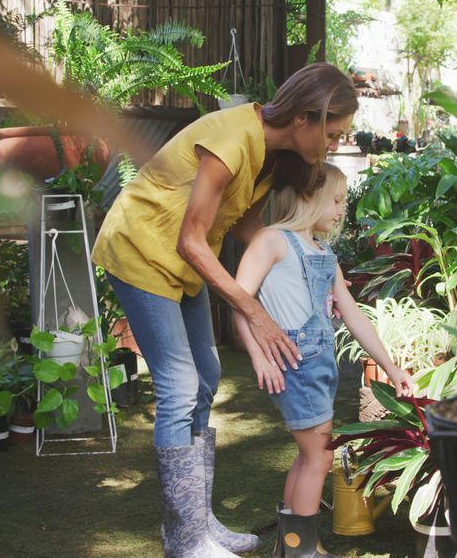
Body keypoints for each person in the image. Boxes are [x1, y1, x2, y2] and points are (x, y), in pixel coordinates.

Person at [91, 63, 359, 558]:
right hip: (141, 250)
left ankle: (196, 523)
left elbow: (246, 233)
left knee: (208, 374)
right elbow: (191, 239)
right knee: (179, 386)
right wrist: (254, 311)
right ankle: (186, 541)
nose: (335, 145)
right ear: (305, 118)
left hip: (187, 261)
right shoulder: (232, 139)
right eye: (334, 133)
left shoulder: (273, 156)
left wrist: (300, 259)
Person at [232, 163, 416, 558]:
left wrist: (390, 366)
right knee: (320, 454)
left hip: (320, 363)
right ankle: (302, 551)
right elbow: (238, 302)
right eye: (335, 200)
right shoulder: (271, 240)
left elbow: (352, 313)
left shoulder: (324, 252)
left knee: (309, 454)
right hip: (292, 362)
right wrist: (258, 356)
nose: (340, 210)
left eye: (342, 201)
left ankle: (290, 546)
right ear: (305, 196)